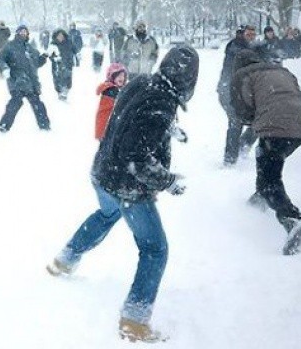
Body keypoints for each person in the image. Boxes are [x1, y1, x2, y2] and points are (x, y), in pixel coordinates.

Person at [46, 46, 199, 343]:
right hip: (125, 185)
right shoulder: (162, 102)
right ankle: (135, 320)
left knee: (107, 213)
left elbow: (130, 119)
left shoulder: (142, 82)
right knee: (155, 249)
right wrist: (166, 181)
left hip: (102, 173)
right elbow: (136, 156)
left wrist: (169, 129)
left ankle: (65, 259)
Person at [230, 49, 301, 255]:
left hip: (273, 129)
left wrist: (252, 119)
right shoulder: (282, 71)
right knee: (269, 163)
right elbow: (299, 98)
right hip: (299, 129)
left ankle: (294, 219)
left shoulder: (243, 75)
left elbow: (242, 110)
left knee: (269, 179)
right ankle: (259, 199)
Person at [0, 25, 50, 132]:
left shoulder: (30, 48)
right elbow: (0, 59)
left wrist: (44, 57)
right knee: (15, 103)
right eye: (21, 32)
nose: (23, 33)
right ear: (17, 33)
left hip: (31, 82)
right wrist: (4, 69)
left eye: (25, 32)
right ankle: (4, 125)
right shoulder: (10, 46)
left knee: (37, 104)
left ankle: (44, 125)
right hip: (17, 80)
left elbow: (36, 63)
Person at [217, 25, 257, 166]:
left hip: (244, 92)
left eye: (253, 34)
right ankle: (229, 159)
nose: (251, 36)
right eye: (248, 34)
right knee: (236, 122)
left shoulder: (250, 49)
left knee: (259, 120)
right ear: (242, 34)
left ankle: (243, 145)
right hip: (229, 90)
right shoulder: (236, 47)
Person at [94, 63, 128, 140]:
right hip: (106, 129)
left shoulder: (111, 89)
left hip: (105, 128)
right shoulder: (111, 90)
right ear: (112, 76)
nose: (121, 78)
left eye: (123, 76)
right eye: (119, 76)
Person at [50, 29, 75, 101]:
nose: (60, 37)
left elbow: (75, 50)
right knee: (57, 80)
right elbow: (49, 54)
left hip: (68, 64)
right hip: (56, 65)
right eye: (59, 36)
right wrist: (54, 58)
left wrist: (76, 56)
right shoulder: (53, 44)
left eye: (62, 36)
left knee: (67, 79)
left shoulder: (69, 42)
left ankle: (65, 93)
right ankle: (60, 92)